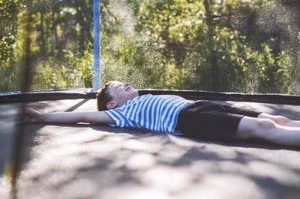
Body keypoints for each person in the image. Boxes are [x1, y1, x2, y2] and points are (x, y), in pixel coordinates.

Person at [26, 81, 300, 147]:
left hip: (199, 106)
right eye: (120, 86)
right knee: (264, 129)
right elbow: (80, 117)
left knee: (274, 119)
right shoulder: (120, 114)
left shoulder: (143, 97)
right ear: (112, 104)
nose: (127, 84)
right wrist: (45, 117)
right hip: (190, 119)